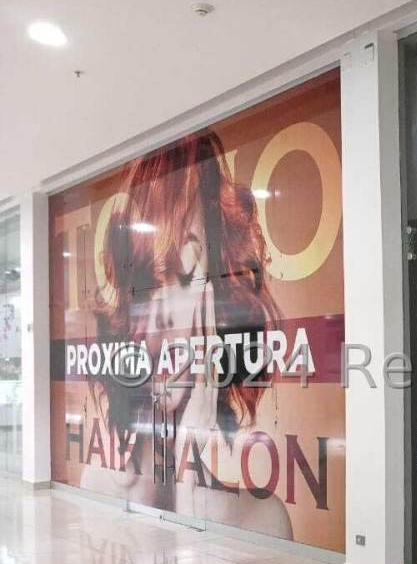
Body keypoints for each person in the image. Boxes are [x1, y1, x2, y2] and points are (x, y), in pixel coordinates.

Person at [80, 131, 293, 540]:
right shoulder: (94, 486)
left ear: (223, 295)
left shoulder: (264, 521)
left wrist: (193, 480)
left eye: (182, 274)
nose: (157, 313)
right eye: (146, 279)